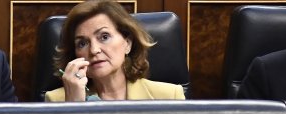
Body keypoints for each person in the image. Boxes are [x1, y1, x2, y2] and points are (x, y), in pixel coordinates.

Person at [45, 0, 185, 101]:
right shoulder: (57, 100)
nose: (94, 50)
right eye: (82, 43)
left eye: (104, 37)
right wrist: (74, 106)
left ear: (127, 43)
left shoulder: (169, 96)